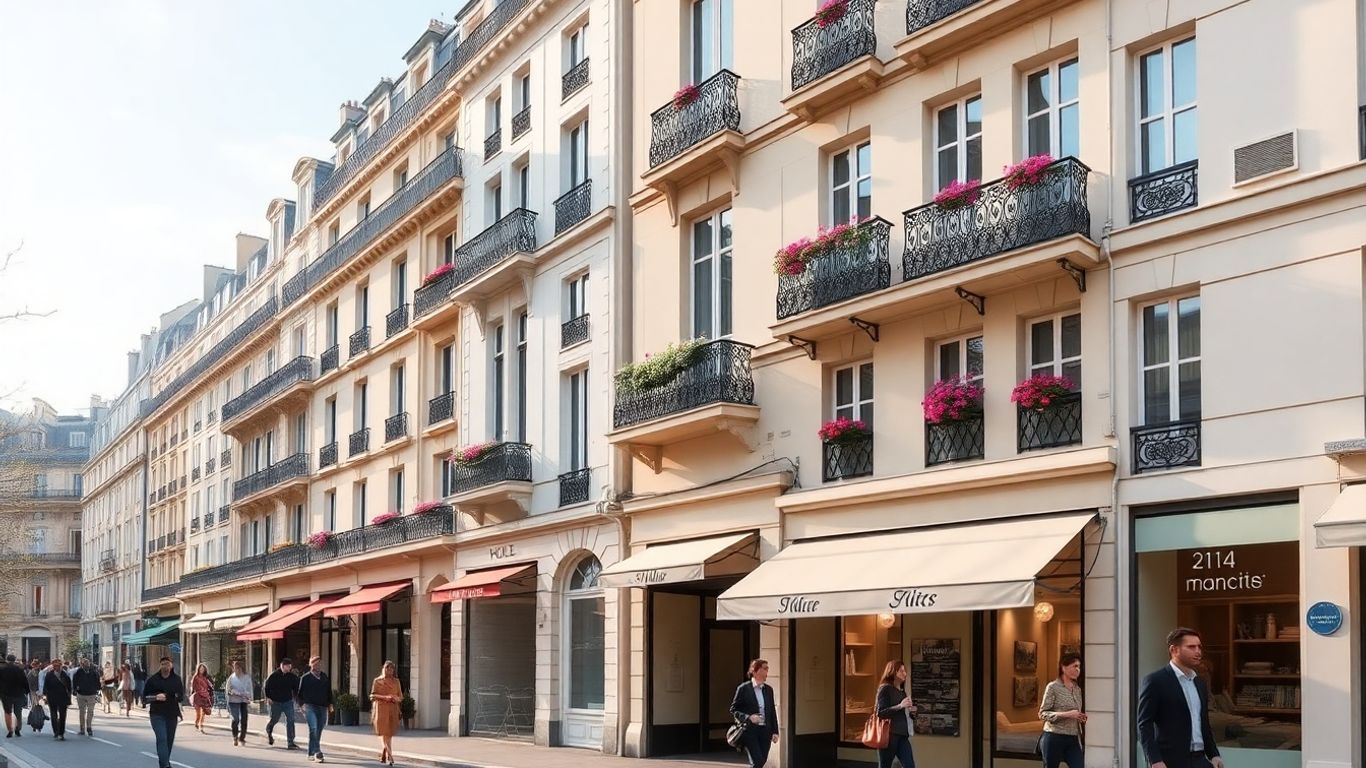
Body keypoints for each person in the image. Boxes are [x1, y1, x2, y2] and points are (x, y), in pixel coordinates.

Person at [1137, 628, 1223, 768]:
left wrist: (1214, 754)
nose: (1198, 652)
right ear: (1174, 650)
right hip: (1170, 761)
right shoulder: (1155, 681)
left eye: (1199, 647)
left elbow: (1204, 723)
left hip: (1200, 760)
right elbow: (1144, 725)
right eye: (1191, 647)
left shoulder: (1199, 683)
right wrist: (1155, 760)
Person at [729, 658, 779, 768]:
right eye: (765, 668)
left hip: (765, 731)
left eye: (768, 668)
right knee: (757, 761)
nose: (767, 671)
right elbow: (734, 709)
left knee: (761, 761)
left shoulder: (768, 690)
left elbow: (772, 711)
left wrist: (775, 731)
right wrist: (749, 717)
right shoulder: (743, 689)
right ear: (755, 671)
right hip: (750, 732)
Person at [1039, 652, 1086, 768]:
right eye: (1075, 666)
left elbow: (1075, 713)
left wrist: (1080, 717)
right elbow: (1042, 714)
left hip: (1073, 738)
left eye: (1079, 666)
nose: (1078, 670)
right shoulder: (1053, 687)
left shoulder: (1077, 689)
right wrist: (1067, 714)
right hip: (1054, 737)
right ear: (1064, 667)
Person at [873, 660, 917, 768]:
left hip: (902, 735)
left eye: (904, 671)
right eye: (901, 671)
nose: (905, 674)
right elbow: (881, 712)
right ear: (893, 672)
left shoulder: (902, 692)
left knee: (910, 765)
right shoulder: (885, 689)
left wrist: (913, 711)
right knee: (885, 765)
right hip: (889, 735)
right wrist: (900, 706)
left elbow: (907, 715)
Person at [143, 656, 185, 768]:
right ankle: (166, 765)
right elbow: (144, 698)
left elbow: (181, 697)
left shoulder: (176, 679)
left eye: (167, 664)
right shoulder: (153, 680)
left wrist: (174, 696)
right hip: (157, 714)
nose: (165, 666)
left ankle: (164, 763)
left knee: (169, 741)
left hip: (172, 714)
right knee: (162, 738)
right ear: (160, 666)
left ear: (171, 665)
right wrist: (155, 697)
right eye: (163, 664)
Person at [298, 655, 334, 763]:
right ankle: (318, 752)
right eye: (315, 663)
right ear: (311, 664)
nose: (318, 665)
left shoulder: (324, 676)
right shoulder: (305, 678)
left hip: (322, 706)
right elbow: (299, 693)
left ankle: (310, 752)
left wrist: (330, 704)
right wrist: (302, 705)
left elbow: (329, 691)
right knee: (313, 728)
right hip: (310, 706)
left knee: (318, 730)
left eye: (319, 663)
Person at [263, 657, 300, 750]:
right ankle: (269, 731)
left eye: (290, 667)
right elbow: (266, 687)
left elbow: (296, 688)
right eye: (288, 666)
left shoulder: (291, 677)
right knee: (274, 719)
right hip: (276, 702)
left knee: (291, 720)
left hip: (288, 701)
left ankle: (290, 742)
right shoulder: (274, 676)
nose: (289, 668)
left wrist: (297, 699)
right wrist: (268, 697)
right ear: (283, 666)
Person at [369, 660, 402, 766]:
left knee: (389, 734)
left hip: (393, 709)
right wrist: (385, 697)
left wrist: (396, 698)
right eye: (387, 668)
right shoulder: (377, 681)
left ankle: (384, 751)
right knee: (384, 732)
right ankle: (391, 756)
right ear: (384, 668)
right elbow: (372, 696)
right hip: (381, 709)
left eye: (392, 668)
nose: (389, 670)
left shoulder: (396, 681)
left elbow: (401, 697)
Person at [40, 658, 72, 740]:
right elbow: (45, 687)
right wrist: (44, 696)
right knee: (53, 715)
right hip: (52, 697)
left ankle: (61, 732)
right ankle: (56, 732)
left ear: (61, 666)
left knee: (62, 716)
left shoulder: (65, 675)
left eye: (58, 666)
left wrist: (69, 697)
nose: (57, 667)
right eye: (55, 666)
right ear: (53, 666)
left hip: (62, 698)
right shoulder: (49, 675)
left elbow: (69, 687)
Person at [71, 657, 102, 736]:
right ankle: (82, 728)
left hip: (91, 694)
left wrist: (97, 690)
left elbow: (97, 682)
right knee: (82, 712)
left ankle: (89, 727)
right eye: (85, 664)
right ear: (82, 664)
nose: (86, 665)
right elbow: (74, 681)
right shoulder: (78, 672)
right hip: (81, 694)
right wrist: (75, 689)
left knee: (90, 711)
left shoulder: (93, 672)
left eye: (87, 664)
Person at [1, 654, 29, 738]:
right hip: (18, 694)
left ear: (7, 660)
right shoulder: (19, 670)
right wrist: (26, 692)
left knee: (7, 712)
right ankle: (18, 729)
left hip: (6, 694)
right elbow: (25, 681)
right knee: (18, 712)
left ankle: (10, 730)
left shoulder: (2, 670)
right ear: (14, 660)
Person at [225, 660, 253, 746]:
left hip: (243, 701)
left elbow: (250, 689)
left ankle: (242, 737)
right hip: (233, 701)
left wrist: (249, 696)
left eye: (238, 668)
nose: (237, 670)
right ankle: (235, 737)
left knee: (244, 719)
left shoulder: (247, 677)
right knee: (235, 719)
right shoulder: (231, 678)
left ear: (242, 668)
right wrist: (232, 692)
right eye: (235, 668)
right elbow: (227, 690)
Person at [189, 663, 213, 732]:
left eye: (203, 669)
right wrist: (192, 695)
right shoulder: (195, 677)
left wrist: (208, 692)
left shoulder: (206, 678)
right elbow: (193, 687)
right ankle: (197, 722)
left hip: (205, 696)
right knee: (198, 713)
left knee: (203, 712)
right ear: (198, 669)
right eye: (200, 668)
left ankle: (201, 725)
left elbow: (209, 686)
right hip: (197, 697)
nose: (202, 670)